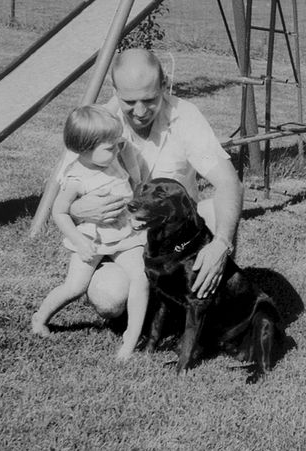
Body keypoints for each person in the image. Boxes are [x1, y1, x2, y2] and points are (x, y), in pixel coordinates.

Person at [67, 48, 243, 318]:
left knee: (215, 211)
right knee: (109, 298)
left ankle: (203, 293)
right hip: (123, 240)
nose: (139, 112)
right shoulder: (97, 122)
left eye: (150, 100)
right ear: (114, 89)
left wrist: (221, 244)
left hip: (177, 239)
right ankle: (149, 301)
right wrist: (78, 209)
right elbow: (63, 197)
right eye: (129, 101)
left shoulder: (185, 115)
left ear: (164, 84)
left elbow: (229, 183)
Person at [32, 105, 149, 361]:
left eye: (116, 142)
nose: (117, 148)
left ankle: (131, 337)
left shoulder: (113, 157)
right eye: (110, 147)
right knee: (75, 286)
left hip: (124, 235)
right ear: (85, 148)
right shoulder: (77, 177)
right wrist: (79, 242)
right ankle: (41, 317)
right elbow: (59, 213)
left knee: (141, 277)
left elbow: (131, 170)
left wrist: (120, 147)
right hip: (92, 239)